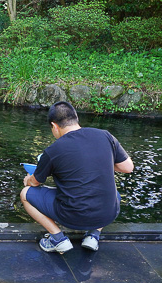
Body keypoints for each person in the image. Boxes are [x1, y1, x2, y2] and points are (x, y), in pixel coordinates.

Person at [20, 101, 134, 253]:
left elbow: (35, 182)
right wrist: (98, 162)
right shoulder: (105, 136)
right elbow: (128, 167)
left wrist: (28, 179)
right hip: (107, 214)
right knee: (115, 195)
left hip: (71, 217)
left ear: (54, 126)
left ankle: (58, 239)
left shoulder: (54, 150)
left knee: (25, 194)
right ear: (76, 118)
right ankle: (93, 236)